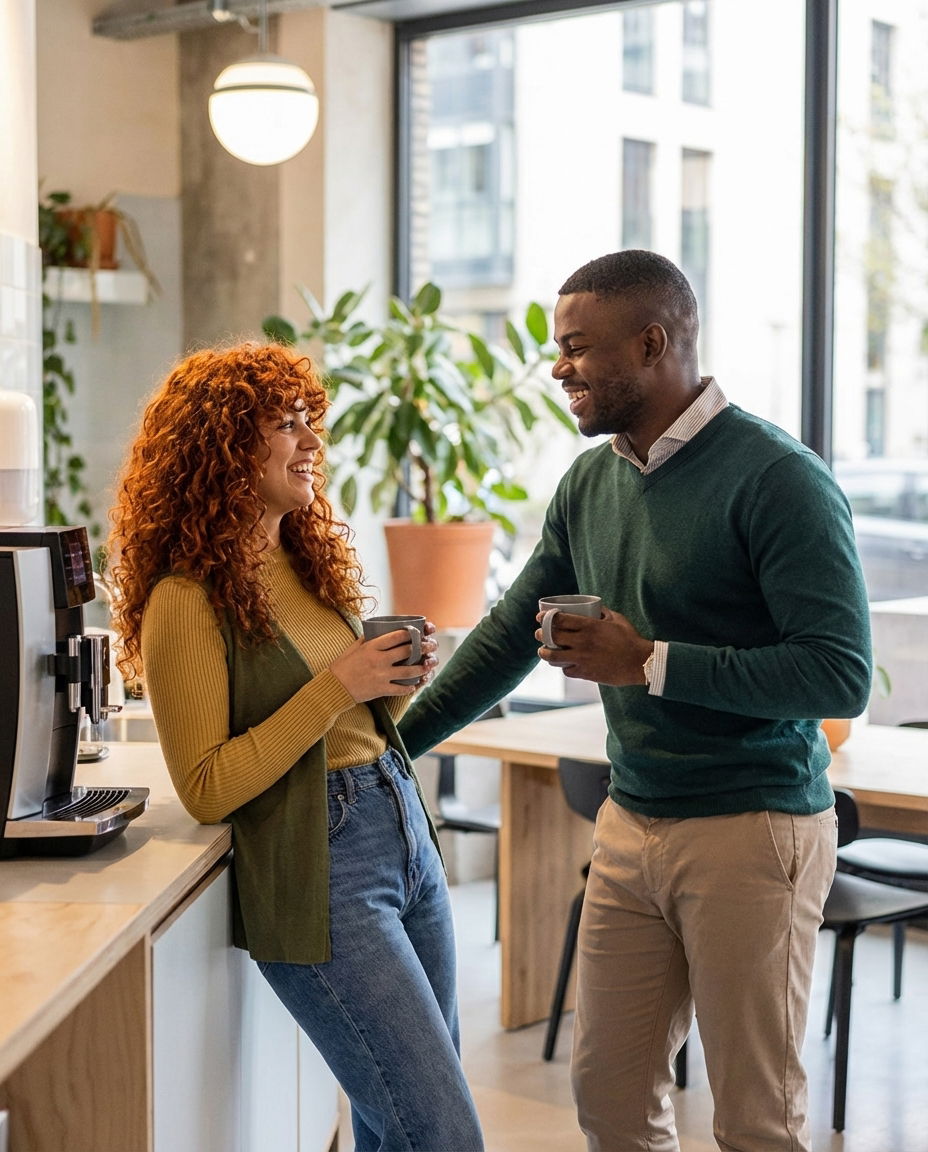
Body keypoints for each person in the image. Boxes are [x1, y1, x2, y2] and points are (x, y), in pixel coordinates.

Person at [399, 250, 872, 1152]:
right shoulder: (591, 482)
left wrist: (649, 661)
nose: (558, 368)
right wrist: (397, 742)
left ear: (653, 343)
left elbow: (837, 673)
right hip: (632, 823)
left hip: (753, 827)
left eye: (576, 348)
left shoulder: (779, 479)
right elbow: (508, 632)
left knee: (756, 1121)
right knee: (611, 1101)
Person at [107, 341, 484, 1152]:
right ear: (224, 446)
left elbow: (335, 712)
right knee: (441, 1135)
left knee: (402, 1128)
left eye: (310, 422)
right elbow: (207, 785)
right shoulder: (185, 600)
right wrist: (339, 685)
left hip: (403, 830)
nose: (312, 442)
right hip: (326, 870)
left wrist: (382, 683)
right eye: (286, 424)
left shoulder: (304, 564)